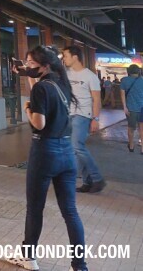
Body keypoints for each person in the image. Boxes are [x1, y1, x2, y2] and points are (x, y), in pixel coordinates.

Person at [6, 46, 87, 271]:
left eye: (31, 63)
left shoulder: (42, 88)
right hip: (66, 153)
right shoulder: (61, 83)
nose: (28, 66)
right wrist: (28, 77)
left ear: (45, 65)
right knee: (70, 211)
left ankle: (29, 258)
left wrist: (28, 109)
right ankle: (79, 265)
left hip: (44, 152)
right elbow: (40, 91)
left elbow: (39, 123)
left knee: (35, 208)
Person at [60, 46, 105, 193]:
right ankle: (88, 182)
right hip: (68, 114)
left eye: (65, 56)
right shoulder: (66, 74)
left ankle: (97, 179)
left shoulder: (90, 76)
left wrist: (95, 119)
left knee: (76, 146)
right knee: (77, 148)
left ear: (75, 57)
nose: (64, 58)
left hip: (83, 115)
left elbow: (97, 99)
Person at [119, 64, 143, 154]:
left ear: (128, 71)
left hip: (131, 108)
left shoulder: (124, 80)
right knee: (142, 128)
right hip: (142, 108)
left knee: (131, 128)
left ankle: (131, 146)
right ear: (138, 71)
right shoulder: (142, 80)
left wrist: (125, 107)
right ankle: (142, 149)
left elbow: (122, 95)